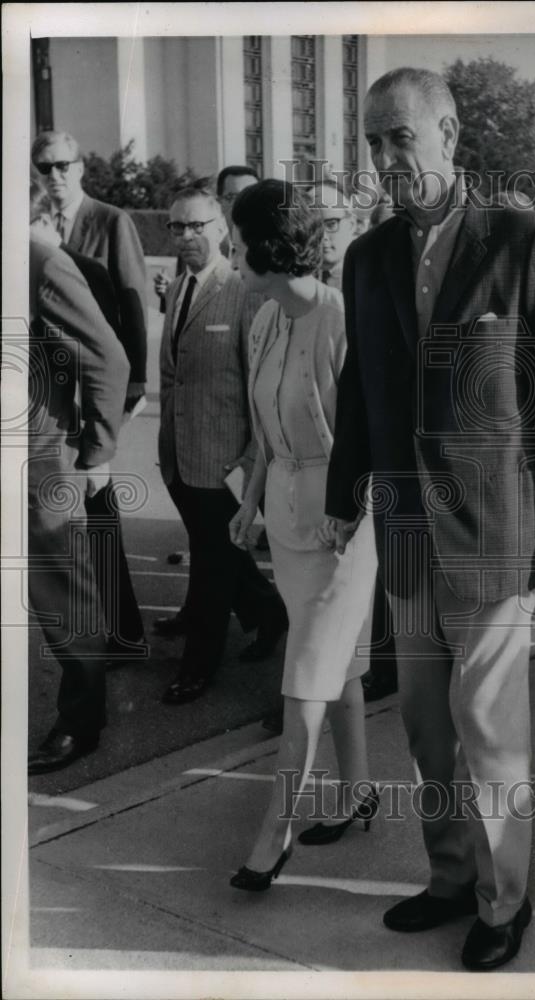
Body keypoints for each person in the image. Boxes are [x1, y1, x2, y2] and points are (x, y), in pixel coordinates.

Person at [325, 68, 535, 971]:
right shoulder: (366, 257)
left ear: (449, 134)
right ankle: (448, 877)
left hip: (493, 526)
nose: (385, 158)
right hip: (403, 527)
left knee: (487, 724)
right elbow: (359, 386)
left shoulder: (526, 241)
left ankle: (502, 899)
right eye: (372, 142)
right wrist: (342, 496)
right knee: (424, 725)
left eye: (400, 137)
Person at [228, 179, 378, 889]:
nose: (232, 249)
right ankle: (358, 791)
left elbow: (372, 433)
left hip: (340, 523)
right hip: (285, 519)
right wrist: (251, 499)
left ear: (267, 246)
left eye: (238, 237)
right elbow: (263, 432)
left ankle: (276, 827)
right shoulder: (262, 319)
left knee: (306, 675)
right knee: (335, 666)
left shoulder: (342, 318)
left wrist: (348, 512)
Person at [156, 186, 287, 705]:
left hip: (223, 457)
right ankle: (268, 611)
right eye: (177, 227)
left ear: (220, 228)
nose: (187, 237)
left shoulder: (242, 291)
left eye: (197, 226)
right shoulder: (177, 288)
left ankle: (199, 665)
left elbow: (259, 384)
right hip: (178, 452)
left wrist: (252, 461)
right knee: (219, 550)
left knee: (212, 563)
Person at [29, 179, 146, 663]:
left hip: (44, 447)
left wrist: (101, 445)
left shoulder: (47, 261)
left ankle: (86, 706)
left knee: (61, 579)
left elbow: (114, 347)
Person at [27, 238, 129, 773]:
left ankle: (81, 723)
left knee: (63, 595)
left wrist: (95, 452)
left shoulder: (39, 260)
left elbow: (109, 358)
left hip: (37, 456)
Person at [31, 130, 147, 416]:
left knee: (93, 458)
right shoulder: (34, 222)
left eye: (62, 166)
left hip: (96, 368)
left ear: (80, 168)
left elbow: (132, 301)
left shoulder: (112, 220)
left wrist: (137, 376)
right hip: (51, 376)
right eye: (45, 168)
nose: (54, 175)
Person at [154, 166, 260, 308]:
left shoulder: (271, 250)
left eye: (251, 197)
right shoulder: (194, 245)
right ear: (220, 201)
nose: (244, 204)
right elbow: (183, 314)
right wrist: (171, 292)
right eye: (233, 197)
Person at [305, 179, 356, 290]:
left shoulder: (369, 279)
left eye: (331, 224)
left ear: (352, 225)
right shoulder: (296, 281)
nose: (322, 236)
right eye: (313, 227)